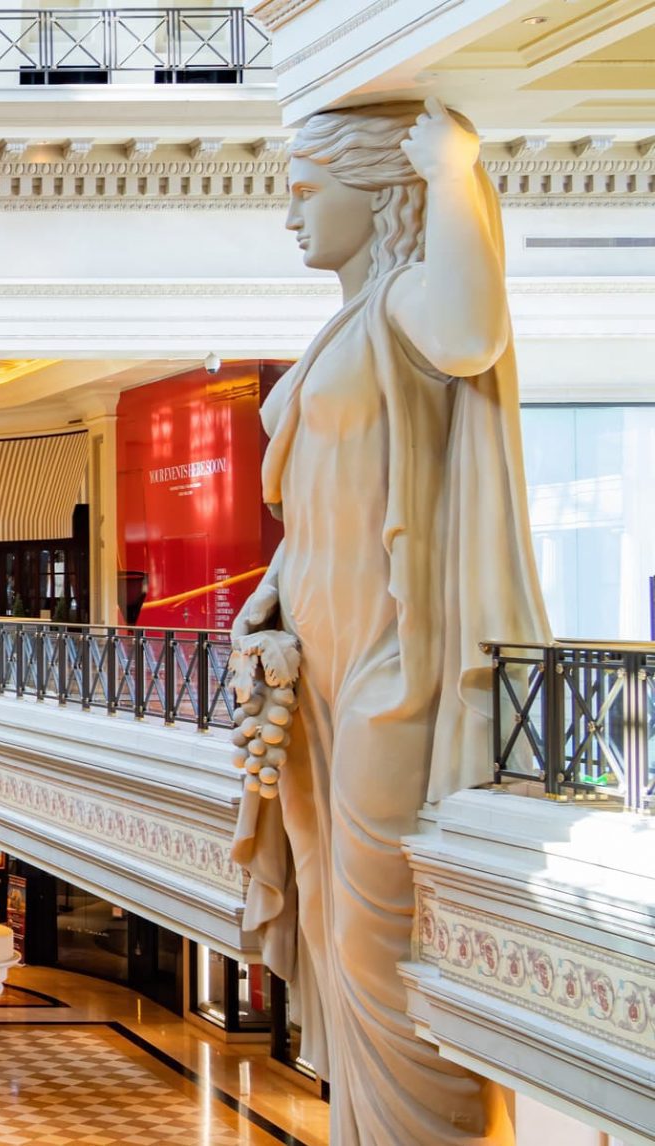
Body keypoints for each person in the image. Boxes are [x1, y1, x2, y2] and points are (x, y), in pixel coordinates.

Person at [229, 99, 546, 1145]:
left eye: (305, 192)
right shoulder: (349, 324)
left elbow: (471, 330)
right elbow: (325, 506)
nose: (291, 220)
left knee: (382, 953)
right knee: (336, 929)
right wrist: (266, 598)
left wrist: (455, 169)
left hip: (389, 676)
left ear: (375, 192)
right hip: (318, 668)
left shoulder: (408, 303)